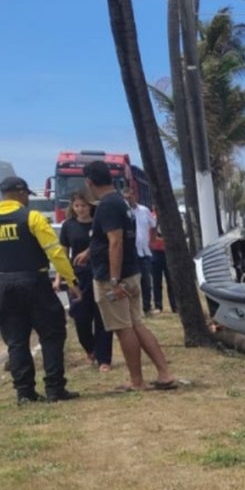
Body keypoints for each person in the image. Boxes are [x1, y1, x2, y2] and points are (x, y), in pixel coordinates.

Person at [0, 176, 81, 404]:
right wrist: (71, 281)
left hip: (6, 286)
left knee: (16, 340)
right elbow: (55, 252)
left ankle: (24, 392)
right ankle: (55, 388)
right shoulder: (32, 217)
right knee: (51, 334)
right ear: (20, 194)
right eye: (26, 195)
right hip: (35, 282)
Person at [76, 161, 176, 391]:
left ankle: (136, 381)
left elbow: (116, 243)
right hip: (129, 273)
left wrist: (113, 280)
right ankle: (164, 373)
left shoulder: (108, 205)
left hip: (115, 279)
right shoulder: (119, 202)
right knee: (136, 324)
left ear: (89, 182)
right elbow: (110, 238)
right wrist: (91, 251)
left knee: (124, 328)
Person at [54, 189, 113, 372]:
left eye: (84, 205)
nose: (80, 209)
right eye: (77, 206)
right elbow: (62, 253)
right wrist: (59, 277)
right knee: (80, 317)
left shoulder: (99, 224)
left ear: (90, 205)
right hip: (78, 277)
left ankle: (104, 358)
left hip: (100, 272)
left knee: (102, 317)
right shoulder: (68, 226)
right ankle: (90, 348)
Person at [122, 187, 156, 316]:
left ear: (135, 196)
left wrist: (152, 241)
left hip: (144, 251)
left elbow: (153, 225)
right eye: (125, 198)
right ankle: (132, 310)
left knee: (146, 281)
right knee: (131, 282)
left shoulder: (144, 210)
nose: (128, 200)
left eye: (130, 197)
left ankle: (147, 308)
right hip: (130, 252)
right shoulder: (124, 212)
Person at [148, 220, 177, 313]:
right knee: (156, 281)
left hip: (169, 251)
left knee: (171, 281)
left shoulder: (168, 215)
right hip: (155, 252)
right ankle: (158, 306)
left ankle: (175, 306)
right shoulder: (151, 216)